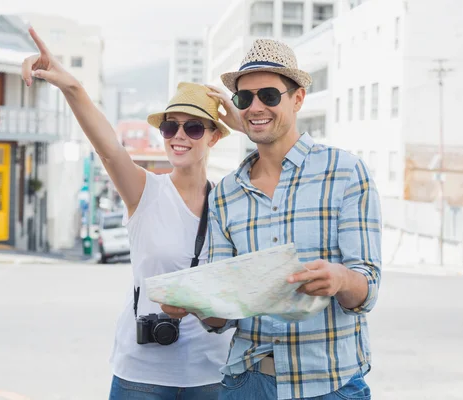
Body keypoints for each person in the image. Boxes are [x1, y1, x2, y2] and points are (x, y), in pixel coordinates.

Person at [162, 39, 382, 400]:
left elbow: (367, 291)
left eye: (269, 95)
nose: (255, 107)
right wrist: (193, 305)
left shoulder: (345, 173)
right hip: (247, 383)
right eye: (244, 99)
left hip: (331, 385)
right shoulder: (226, 193)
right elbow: (223, 315)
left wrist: (340, 278)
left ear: (297, 99)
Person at [22, 28, 235, 400]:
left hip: (212, 375)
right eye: (171, 126)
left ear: (215, 137)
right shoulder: (145, 191)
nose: (179, 136)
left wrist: (199, 307)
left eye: (194, 126)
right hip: (143, 375)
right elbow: (108, 148)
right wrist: (70, 86)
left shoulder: (231, 204)